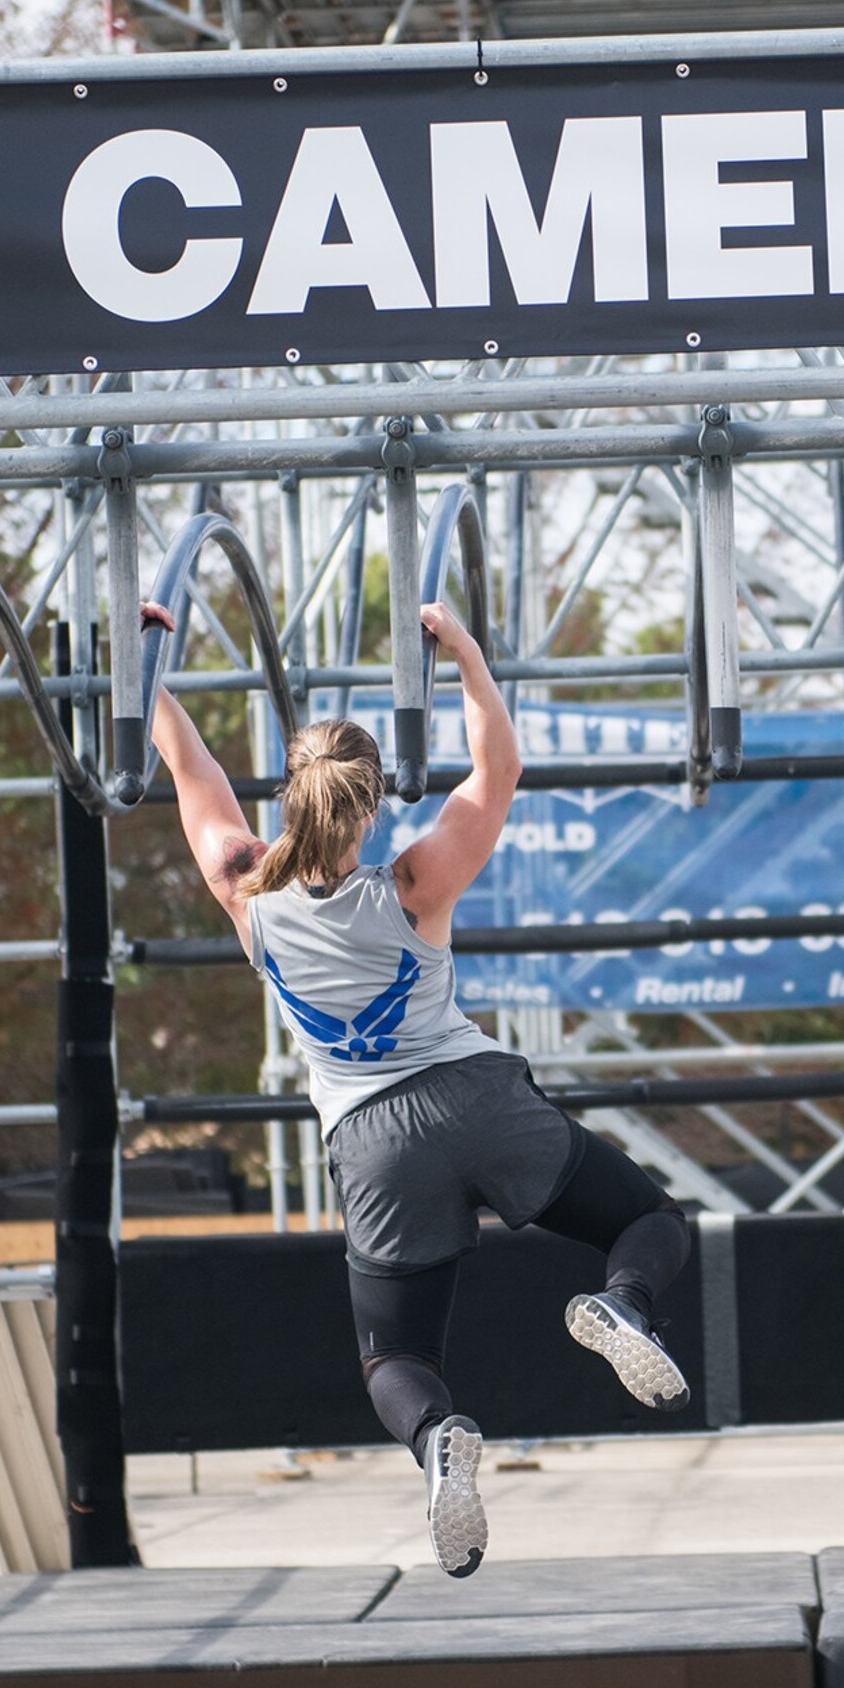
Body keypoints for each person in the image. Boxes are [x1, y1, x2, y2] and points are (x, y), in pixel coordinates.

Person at [146, 597, 692, 1579]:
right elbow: (498, 771)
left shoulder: (243, 886)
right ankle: (624, 1308)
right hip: (477, 1096)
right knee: (647, 1225)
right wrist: (468, 660)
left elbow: (192, 770)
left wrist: (152, 657)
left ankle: (439, 1438)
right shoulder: (410, 885)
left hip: (373, 1142)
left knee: (394, 1359)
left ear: (290, 801)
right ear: (368, 808)